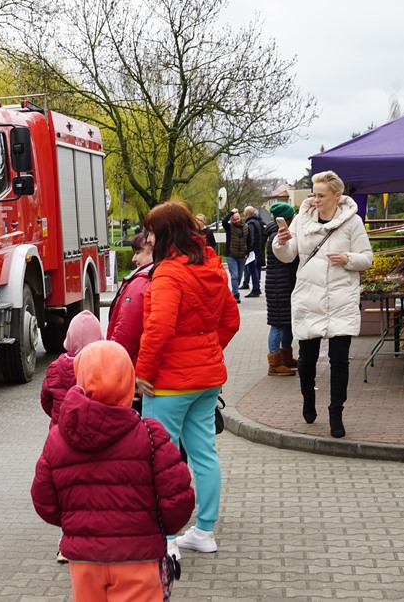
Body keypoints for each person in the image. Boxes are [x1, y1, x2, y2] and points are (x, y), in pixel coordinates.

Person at [31, 341, 195, 602]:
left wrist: (78, 523)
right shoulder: (151, 436)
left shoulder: (58, 439)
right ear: (128, 382)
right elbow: (178, 502)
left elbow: (44, 502)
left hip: (84, 562)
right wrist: (160, 529)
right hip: (138, 558)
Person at [135, 200, 240, 557]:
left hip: (168, 383)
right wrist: (206, 351)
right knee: (204, 454)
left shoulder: (167, 273)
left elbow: (159, 327)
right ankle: (204, 531)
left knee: (158, 458)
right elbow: (231, 321)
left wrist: (142, 372)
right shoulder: (213, 266)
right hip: (207, 379)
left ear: (163, 234)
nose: (145, 237)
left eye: (150, 230)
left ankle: (164, 539)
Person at [272, 171, 373, 438]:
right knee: (306, 360)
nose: (315, 200)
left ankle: (336, 412)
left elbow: (367, 258)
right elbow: (287, 255)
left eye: (321, 195)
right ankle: (308, 398)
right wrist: (279, 243)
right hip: (309, 297)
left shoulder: (353, 222)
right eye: (313, 194)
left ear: (337, 196)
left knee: (340, 361)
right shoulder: (303, 220)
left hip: (341, 298)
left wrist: (347, 258)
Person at [39, 310, 105, 564]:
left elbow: (45, 399)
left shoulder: (56, 368)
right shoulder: (102, 365)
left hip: (62, 440)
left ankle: (65, 545)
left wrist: (56, 418)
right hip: (95, 442)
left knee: (67, 494)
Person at [107, 232, 154, 364]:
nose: (134, 258)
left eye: (138, 252)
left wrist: (111, 360)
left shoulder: (140, 284)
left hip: (132, 363)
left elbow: (126, 330)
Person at [264, 203, 299, 376]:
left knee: (288, 323)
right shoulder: (276, 237)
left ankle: (286, 356)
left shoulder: (277, 234)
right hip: (279, 287)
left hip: (284, 285)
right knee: (277, 324)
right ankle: (274, 363)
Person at [221, 208, 247, 303]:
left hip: (242, 255)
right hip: (231, 255)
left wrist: (247, 252)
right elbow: (224, 221)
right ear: (231, 220)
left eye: (238, 219)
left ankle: (234, 290)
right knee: (234, 276)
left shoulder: (246, 227)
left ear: (240, 218)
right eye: (234, 219)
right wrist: (231, 212)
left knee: (239, 276)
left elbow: (249, 240)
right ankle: (236, 294)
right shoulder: (229, 228)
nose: (236, 221)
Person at [244, 206, 264, 298]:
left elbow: (250, 237)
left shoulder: (250, 223)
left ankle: (255, 289)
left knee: (252, 270)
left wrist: (248, 250)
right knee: (254, 269)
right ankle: (257, 288)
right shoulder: (257, 221)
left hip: (252, 250)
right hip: (257, 249)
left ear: (246, 214)